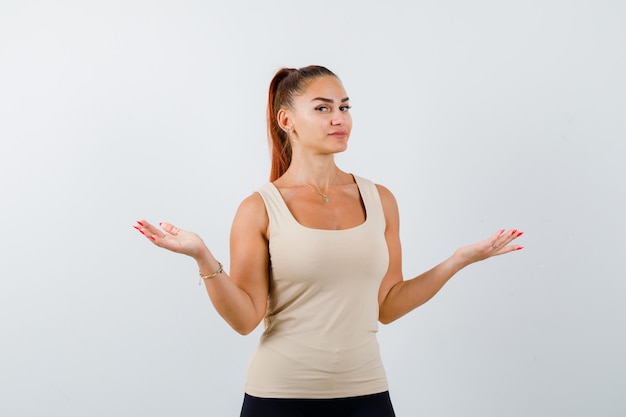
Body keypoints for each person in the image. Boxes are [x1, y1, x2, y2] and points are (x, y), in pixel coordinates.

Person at [134, 65, 524, 417]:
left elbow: (387, 306)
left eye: (345, 107)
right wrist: (203, 257)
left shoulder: (379, 199)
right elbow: (245, 318)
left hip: (367, 393)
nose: (339, 119)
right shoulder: (259, 208)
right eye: (322, 108)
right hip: (279, 398)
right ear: (287, 120)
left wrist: (457, 261)